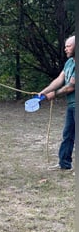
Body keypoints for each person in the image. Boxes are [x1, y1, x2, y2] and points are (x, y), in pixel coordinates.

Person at [38, 35, 75, 171]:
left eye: (68, 46)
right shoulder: (69, 62)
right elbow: (60, 80)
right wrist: (44, 92)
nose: (65, 49)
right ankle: (64, 165)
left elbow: (70, 86)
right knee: (68, 135)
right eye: (65, 46)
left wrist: (55, 94)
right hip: (72, 106)